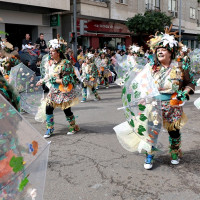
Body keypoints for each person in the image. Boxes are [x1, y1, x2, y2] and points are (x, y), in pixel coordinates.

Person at [114, 25, 196, 170]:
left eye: (163, 49)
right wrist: (139, 95)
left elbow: (190, 83)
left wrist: (185, 93)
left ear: (171, 52)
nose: (159, 52)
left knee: (174, 131)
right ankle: (149, 154)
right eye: (157, 50)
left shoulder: (180, 67)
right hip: (154, 105)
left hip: (173, 105)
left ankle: (175, 152)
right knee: (151, 131)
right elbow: (140, 85)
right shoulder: (151, 68)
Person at [36, 36, 80, 138]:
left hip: (63, 90)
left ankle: (73, 126)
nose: (50, 53)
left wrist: (55, 80)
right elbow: (47, 76)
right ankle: (50, 128)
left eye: (52, 51)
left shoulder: (66, 64)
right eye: (50, 51)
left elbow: (67, 80)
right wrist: (41, 81)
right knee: (48, 108)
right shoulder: (50, 63)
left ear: (58, 52)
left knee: (66, 110)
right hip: (53, 90)